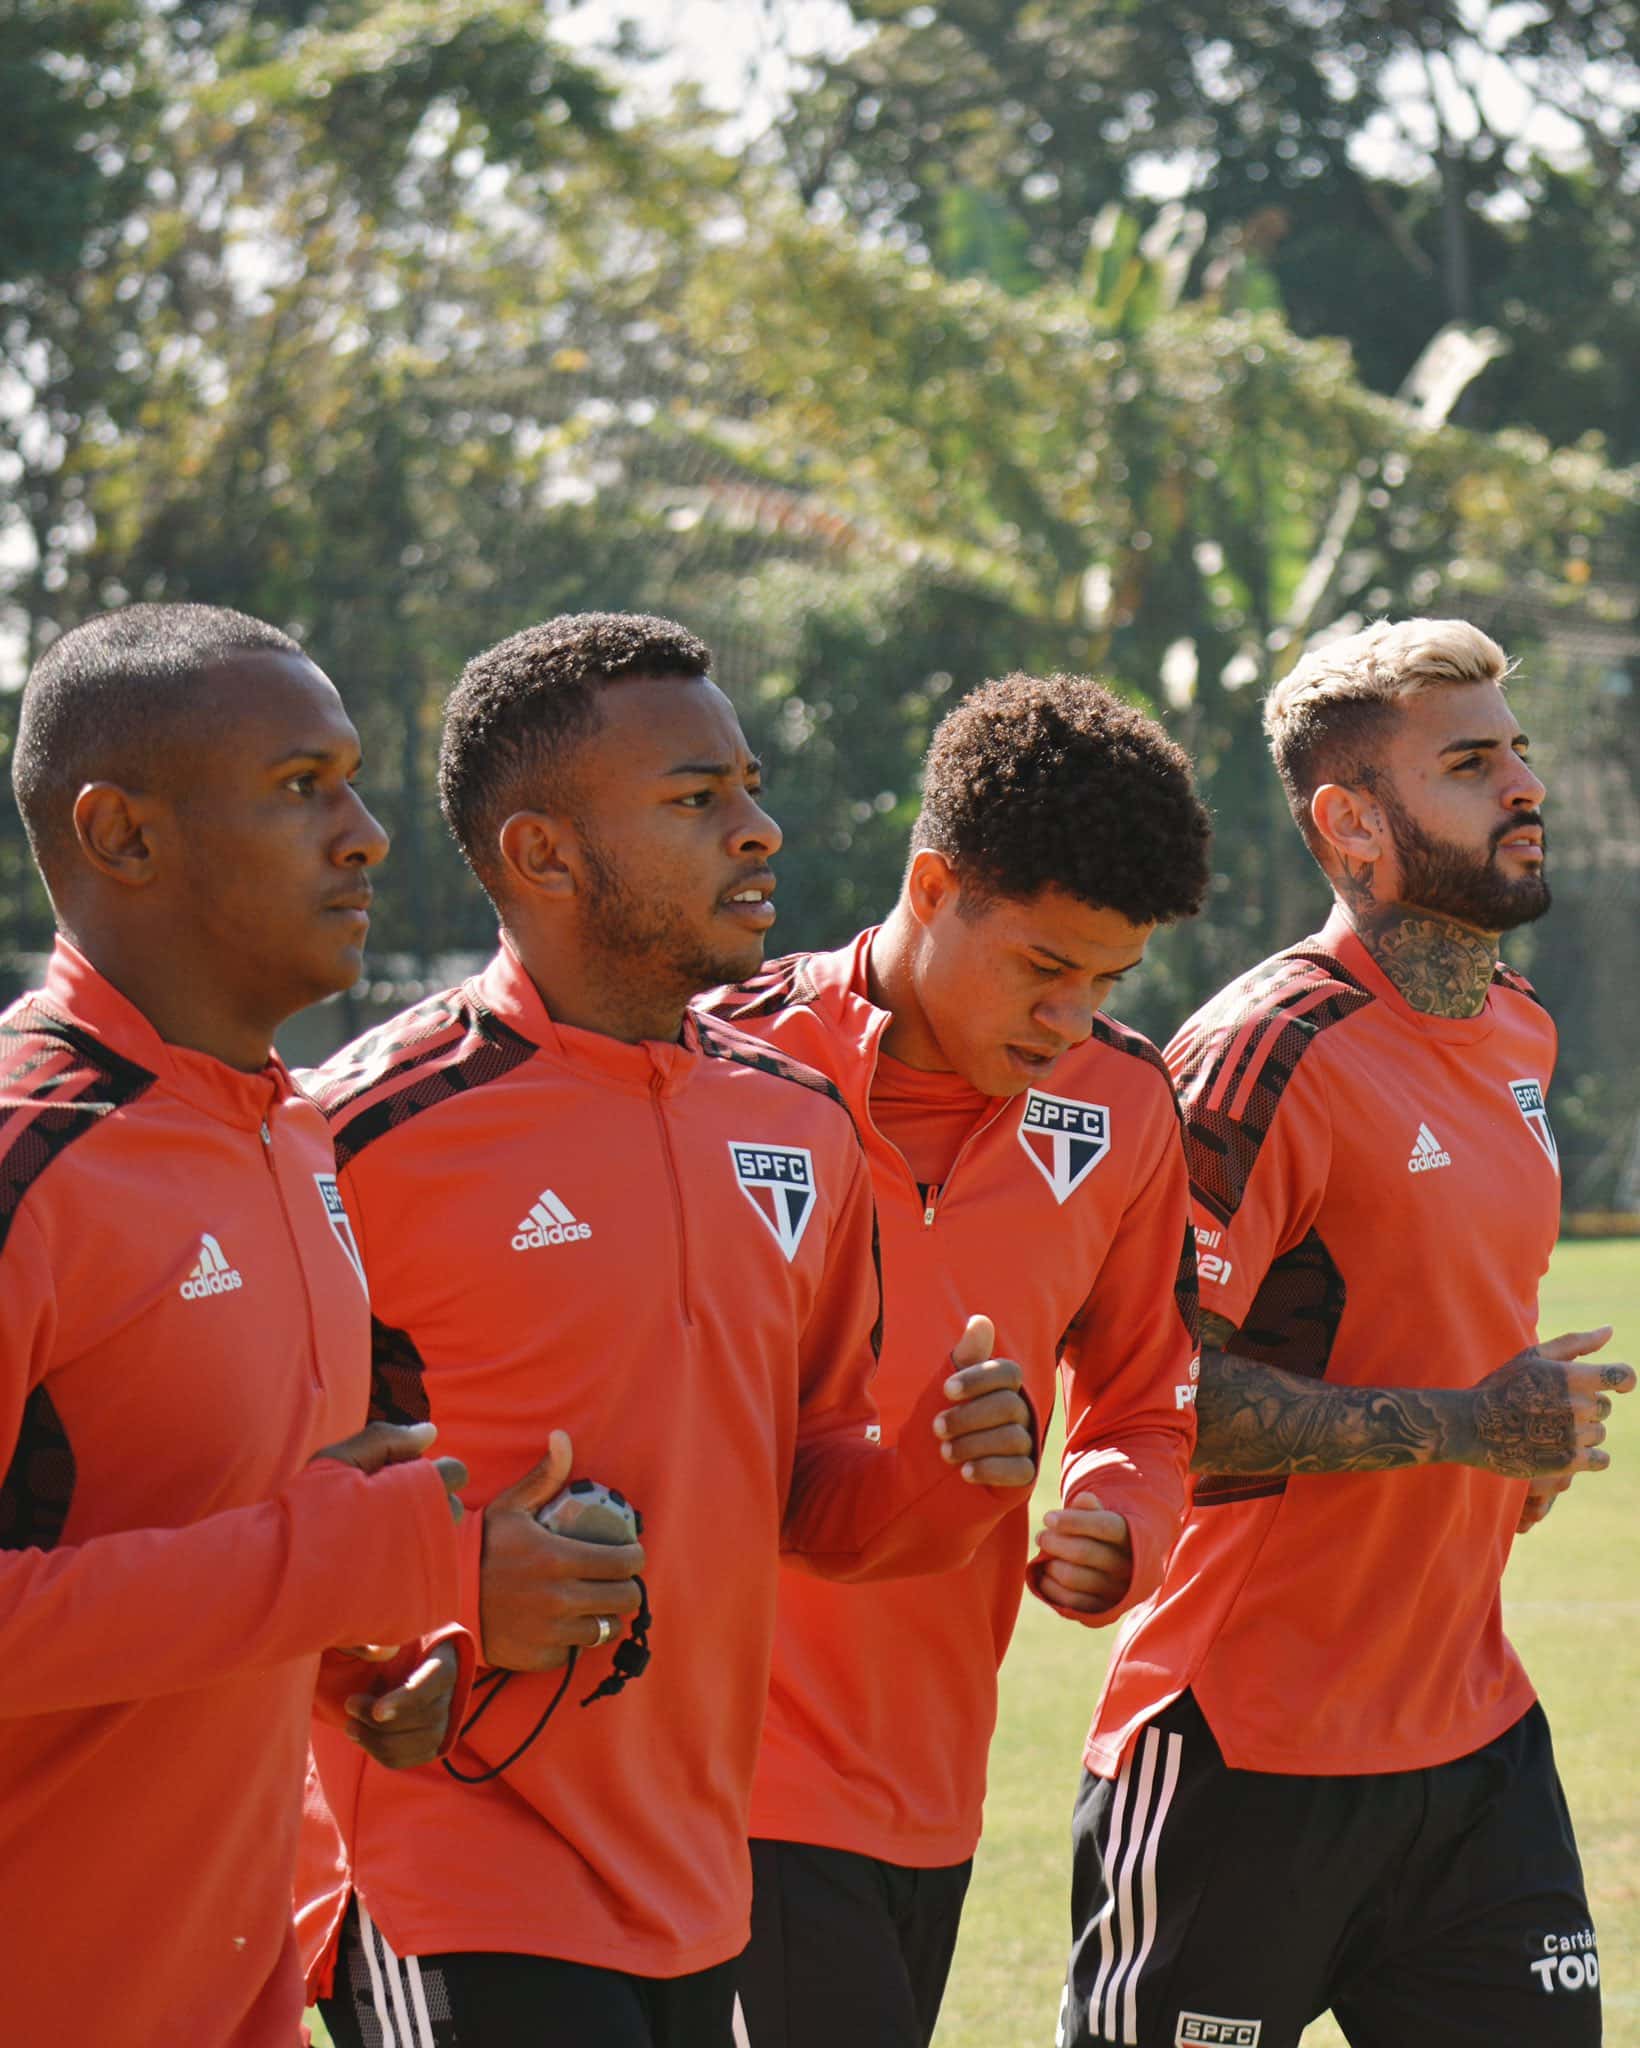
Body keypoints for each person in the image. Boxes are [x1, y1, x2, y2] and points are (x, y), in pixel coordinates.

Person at [298, 611, 1038, 2048]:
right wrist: (437, 1598)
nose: (757, 831)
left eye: (748, 788)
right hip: (443, 1864)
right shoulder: (358, 1134)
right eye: (697, 802)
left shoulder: (803, 1119)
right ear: (542, 854)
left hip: (704, 1878)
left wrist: (951, 1478)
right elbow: (252, 1498)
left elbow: (813, 1485)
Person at [1057, 617, 1635, 2048]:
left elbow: (1426, 1329)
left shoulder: (1521, 1033)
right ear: (1351, 824)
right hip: (1244, 1749)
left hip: (1472, 1747)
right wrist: (1461, 1427)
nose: (1523, 785)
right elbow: (1146, 1389)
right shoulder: (1265, 1052)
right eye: (1469, 761)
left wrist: (1513, 1443)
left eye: (1517, 750)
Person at [698, 670, 1210, 2048]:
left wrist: (1119, 1521)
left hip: (931, 1772)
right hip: (723, 1776)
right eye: (1045, 968)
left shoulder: (1124, 1103)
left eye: (1108, 979)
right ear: (931, 887)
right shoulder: (713, 1064)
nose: (1071, 1017)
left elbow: (1149, 1402)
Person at [0, 604, 473, 2048]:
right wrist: (331, 1557)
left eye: (352, 779)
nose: (369, 833)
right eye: (300, 786)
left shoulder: (290, 1131)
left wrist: (353, 1653)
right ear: (122, 836)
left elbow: (185, 1532)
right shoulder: (29, 1156)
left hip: (227, 1976)